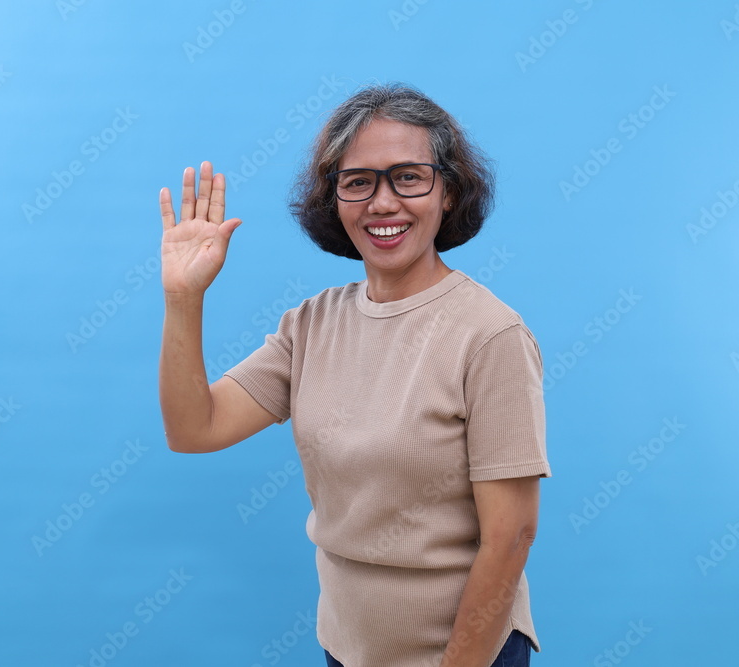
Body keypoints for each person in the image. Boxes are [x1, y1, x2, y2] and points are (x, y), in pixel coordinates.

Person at [158, 84, 551, 667]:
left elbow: (511, 535)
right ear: (334, 199)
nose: (382, 203)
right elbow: (195, 429)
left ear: (449, 192)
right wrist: (183, 298)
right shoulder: (312, 324)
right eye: (358, 181)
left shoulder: (490, 335)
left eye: (409, 177)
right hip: (348, 648)